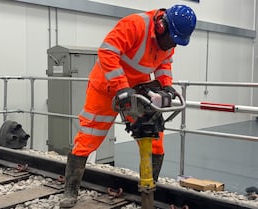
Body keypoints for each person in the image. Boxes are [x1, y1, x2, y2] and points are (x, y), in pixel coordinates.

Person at [60, 4, 197, 208]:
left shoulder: (169, 41)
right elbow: (107, 52)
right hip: (105, 88)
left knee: (154, 138)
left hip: (138, 90)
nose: (170, 45)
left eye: (175, 42)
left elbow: (164, 64)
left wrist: (166, 86)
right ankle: (70, 190)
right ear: (160, 26)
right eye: (170, 40)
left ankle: (148, 189)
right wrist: (121, 87)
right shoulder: (134, 25)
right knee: (88, 137)